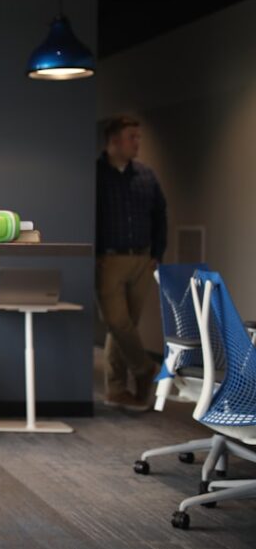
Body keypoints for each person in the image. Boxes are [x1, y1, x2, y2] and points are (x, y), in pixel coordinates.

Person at [95, 115, 166, 411]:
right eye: (132, 137)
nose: (138, 143)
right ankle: (145, 368)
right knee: (117, 321)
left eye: (139, 137)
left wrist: (157, 254)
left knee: (127, 326)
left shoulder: (146, 176)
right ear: (114, 141)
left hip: (142, 258)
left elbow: (160, 215)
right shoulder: (96, 174)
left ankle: (116, 390)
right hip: (109, 258)